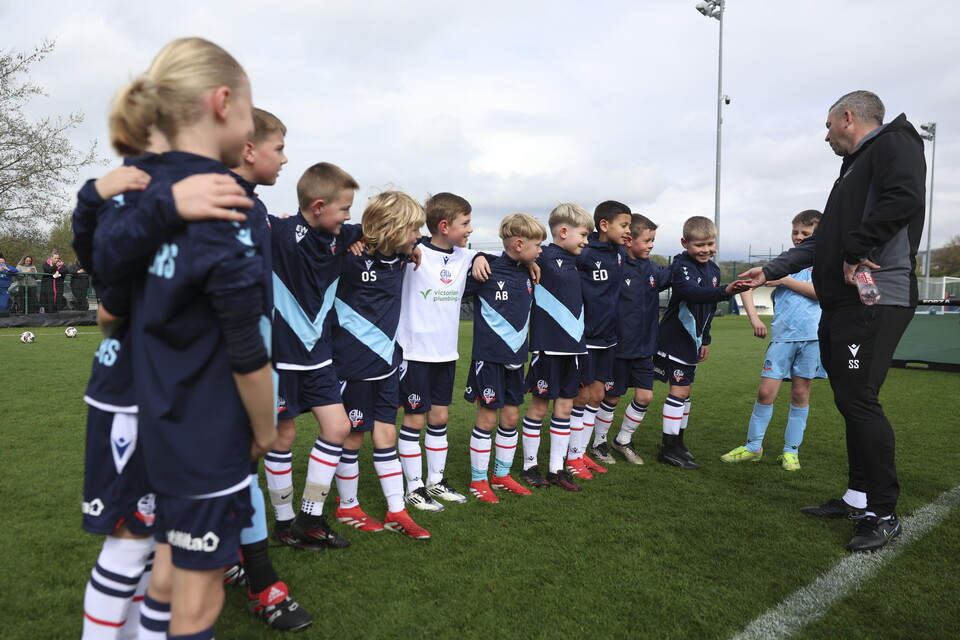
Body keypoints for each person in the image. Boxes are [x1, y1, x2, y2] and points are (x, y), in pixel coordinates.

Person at [103, 37, 277, 639]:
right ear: (224, 102)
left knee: (164, 574)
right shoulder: (224, 210)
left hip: (153, 416)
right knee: (194, 604)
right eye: (252, 109)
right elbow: (247, 351)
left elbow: (109, 300)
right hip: (205, 433)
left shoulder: (141, 198)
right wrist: (263, 428)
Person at [738, 90, 926, 552]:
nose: (825, 137)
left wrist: (858, 248)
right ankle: (858, 497)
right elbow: (823, 244)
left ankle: (882, 512)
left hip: (876, 300)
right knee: (850, 400)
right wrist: (771, 270)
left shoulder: (894, 143)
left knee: (860, 401)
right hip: (844, 303)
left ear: (847, 118)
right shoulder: (856, 167)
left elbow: (905, 198)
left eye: (827, 127)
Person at [227, 107, 313, 631]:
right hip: (216, 370)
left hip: (252, 361)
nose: (285, 158)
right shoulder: (212, 204)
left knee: (238, 472)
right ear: (247, 149)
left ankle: (252, 573)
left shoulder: (254, 209)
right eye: (279, 148)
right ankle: (256, 580)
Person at [263, 162, 361, 550]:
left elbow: (386, 230)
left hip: (319, 358)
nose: (350, 216)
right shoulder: (277, 233)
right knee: (282, 436)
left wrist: (413, 249)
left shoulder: (343, 234)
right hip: (280, 360)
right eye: (344, 208)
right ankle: (285, 525)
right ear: (318, 206)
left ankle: (310, 517)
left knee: (337, 428)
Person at [331, 190, 431, 538]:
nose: (419, 235)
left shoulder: (404, 256)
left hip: (389, 363)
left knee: (386, 433)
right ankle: (347, 507)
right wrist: (353, 237)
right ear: (391, 229)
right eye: (413, 229)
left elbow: (441, 244)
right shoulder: (349, 256)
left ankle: (396, 511)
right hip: (352, 366)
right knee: (353, 436)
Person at [394, 193, 490, 511]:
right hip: (414, 353)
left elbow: (495, 256)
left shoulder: (464, 257)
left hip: (446, 354)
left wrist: (477, 258)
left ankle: (435, 481)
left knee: (440, 417)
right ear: (444, 225)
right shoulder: (413, 250)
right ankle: (414, 486)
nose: (471, 229)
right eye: (466, 223)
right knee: (414, 420)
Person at [721, 210, 825, 471]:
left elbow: (818, 293)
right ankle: (753, 447)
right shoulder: (784, 261)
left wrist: (784, 279)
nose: (798, 237)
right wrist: (754, 319)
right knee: (766, 392)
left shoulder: (824, 262)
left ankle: (791, 452)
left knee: (800, 394)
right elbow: (746, 285)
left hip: (812, 340)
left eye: (805, 233)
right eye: (795, 232)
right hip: (782, 340)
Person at [463, 213, 546, 502]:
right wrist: (476, 257)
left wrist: (532, 261)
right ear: (519, 244)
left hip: (516, 359)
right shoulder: (486, 268)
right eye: (538, 245)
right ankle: (478, 481)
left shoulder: (528, 269)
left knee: (510, 417)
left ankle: (501, 475)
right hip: (489, 357)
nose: (541, 251)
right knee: (486, 420)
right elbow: (454, 262)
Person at [654, 216, 746, 469]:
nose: (706, 249)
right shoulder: (681, 266)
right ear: (685, 243)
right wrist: (726, 290)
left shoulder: (713, 270)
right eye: (699, 245)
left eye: (710, 243)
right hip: (674, 338)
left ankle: (678, 443)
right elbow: (692, 293)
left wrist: (705, 339)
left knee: (687, 392)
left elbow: (709, 307)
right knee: (679, 390)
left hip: (693, 340)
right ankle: (668, 448)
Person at [519, 203, 593, 491]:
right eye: (583, 234)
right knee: (539, 407)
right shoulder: (542, 256)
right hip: (548, 348)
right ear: (563, 231)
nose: (586, 241)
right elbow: (511, 254)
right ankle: (529, 467)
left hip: (575, 350)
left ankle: (556, 469)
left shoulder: (579, 260)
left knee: (564, 407)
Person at [565, 200, 632, 477]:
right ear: (604, 225)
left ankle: (583, 452)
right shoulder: (584, 253)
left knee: (598, 395)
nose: (628, 230)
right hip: (586, 337)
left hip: (608, 337)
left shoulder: (619, 254)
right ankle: (572, 457)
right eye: (624, 225)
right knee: (581, 396)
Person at [602, 213, 672, 464]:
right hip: (618, 348)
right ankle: (598, 444)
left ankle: (622, 440)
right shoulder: (614, 266)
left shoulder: (653, 269)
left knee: (645, 397)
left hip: (645, 349)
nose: (651, 245)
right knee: (611, 397)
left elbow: (677, 274)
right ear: (629, 240)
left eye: (653, 240)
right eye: (647, 240)